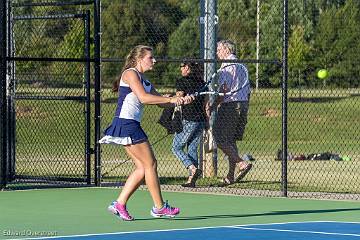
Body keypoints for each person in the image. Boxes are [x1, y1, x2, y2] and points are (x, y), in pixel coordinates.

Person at [99, 45, 193, 221]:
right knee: (151, 164)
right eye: (150, 57)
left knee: (143, 168)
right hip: (126, 124)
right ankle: (159, 207)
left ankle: (119, 204)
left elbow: (162, 103)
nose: (154, 60)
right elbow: (143, 98)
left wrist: (180, 101)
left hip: (131, 124)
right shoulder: (130, 73)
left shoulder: (146, 81)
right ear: (138, 59)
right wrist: (171, 99)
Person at [206, 40, 252, 185]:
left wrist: (213, 106)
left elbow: (223, 91)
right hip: (243, 104)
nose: (217, 52)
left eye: (219, 49)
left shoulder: (227, 65)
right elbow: (248, 91)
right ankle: (230, 176)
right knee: (230, 141)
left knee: (219, 139)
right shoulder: (242, 65)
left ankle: (241, 163)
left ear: (226, 50)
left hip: (230, 106)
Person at [171, 61, 206, 188]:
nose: (181, 69)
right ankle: (191, 180)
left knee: (176, 147)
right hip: (201, 120)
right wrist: (207, 121)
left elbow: (179, 97)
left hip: (189, 119)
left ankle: (192, 168)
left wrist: (173, 97)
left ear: (187, 67)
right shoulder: (202, 83)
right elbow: (206, 105)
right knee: (191, 148)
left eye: (182, 66)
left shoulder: (182, 81)